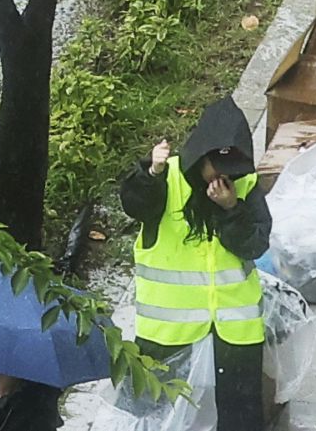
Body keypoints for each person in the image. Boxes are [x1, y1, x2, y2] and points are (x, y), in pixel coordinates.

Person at [119, 96, 272, 431]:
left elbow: (255, 244)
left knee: (240, 419)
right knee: (156, 418)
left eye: (231, 170)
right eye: (217, 168)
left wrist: (231, 210)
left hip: (234, 332)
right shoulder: (167, 178)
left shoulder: (244, 185)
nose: (222, 177)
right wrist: (151, 173)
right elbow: (135, 204)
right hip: (168, 334)